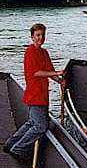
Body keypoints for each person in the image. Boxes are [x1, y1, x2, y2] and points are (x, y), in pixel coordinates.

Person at [3, 23, 64, 160]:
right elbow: (36, 73)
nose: (40, 38)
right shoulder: (30, 52)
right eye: (38, 35)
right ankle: (18, 149)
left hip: (43, 95)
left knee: (32, 123)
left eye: (42, 35)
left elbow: (49, 71)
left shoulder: (44, 52)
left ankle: (10, 144)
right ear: (32, 37)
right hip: (34, 95)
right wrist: (57, 72)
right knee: (41, 127)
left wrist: (59, 80)